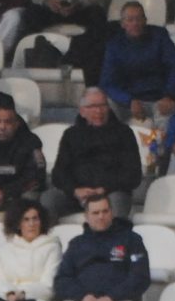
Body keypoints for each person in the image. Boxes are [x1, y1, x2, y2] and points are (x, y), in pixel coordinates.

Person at [48, 194, 151, 301]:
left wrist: (112, 298)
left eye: (105, 211)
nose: (101, 216)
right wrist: (82, 297)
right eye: (96, 213)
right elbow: (62, 279)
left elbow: (140, 276)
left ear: (112, 212)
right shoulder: (77, 244)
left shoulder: (132, 239)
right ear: (86, 216)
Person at [44, 86, 144, 225]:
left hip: (111, 193)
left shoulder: (124, 133)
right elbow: (59, 173)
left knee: (117, 202)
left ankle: (116, 238)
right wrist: (75, 190)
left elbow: (133, 174)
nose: (98, 111)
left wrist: (103, 189)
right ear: (82, 111)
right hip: (77, 196)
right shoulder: (71, 135)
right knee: (48, 199)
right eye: (92, 106)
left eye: (102, 105)